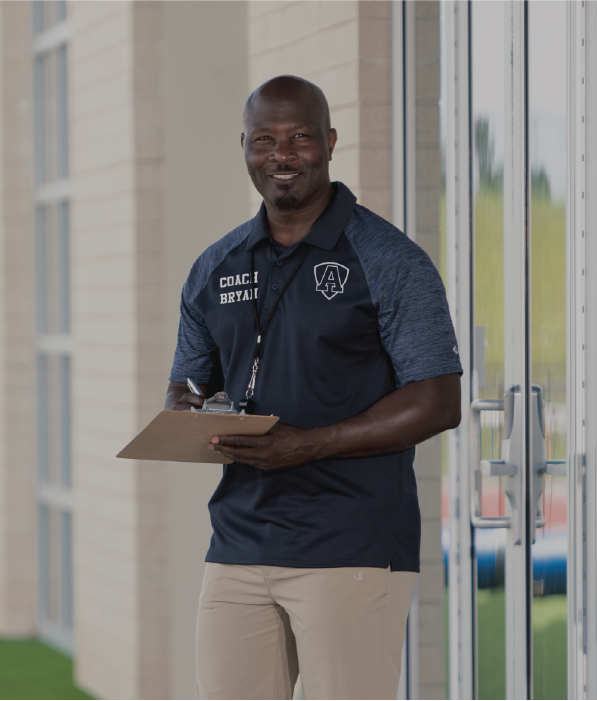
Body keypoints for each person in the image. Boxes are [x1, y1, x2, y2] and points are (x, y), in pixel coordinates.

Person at [166, 75, 462, 700]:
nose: (282, 155)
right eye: (265, 140)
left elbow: (438, 399)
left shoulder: (389, 259)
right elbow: (187, 385)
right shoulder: (214, 267)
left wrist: (308, 444)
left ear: (329, 142)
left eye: (300, 138)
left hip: (350, 544)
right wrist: (188, 413)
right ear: (243, 147)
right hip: (239, 543)